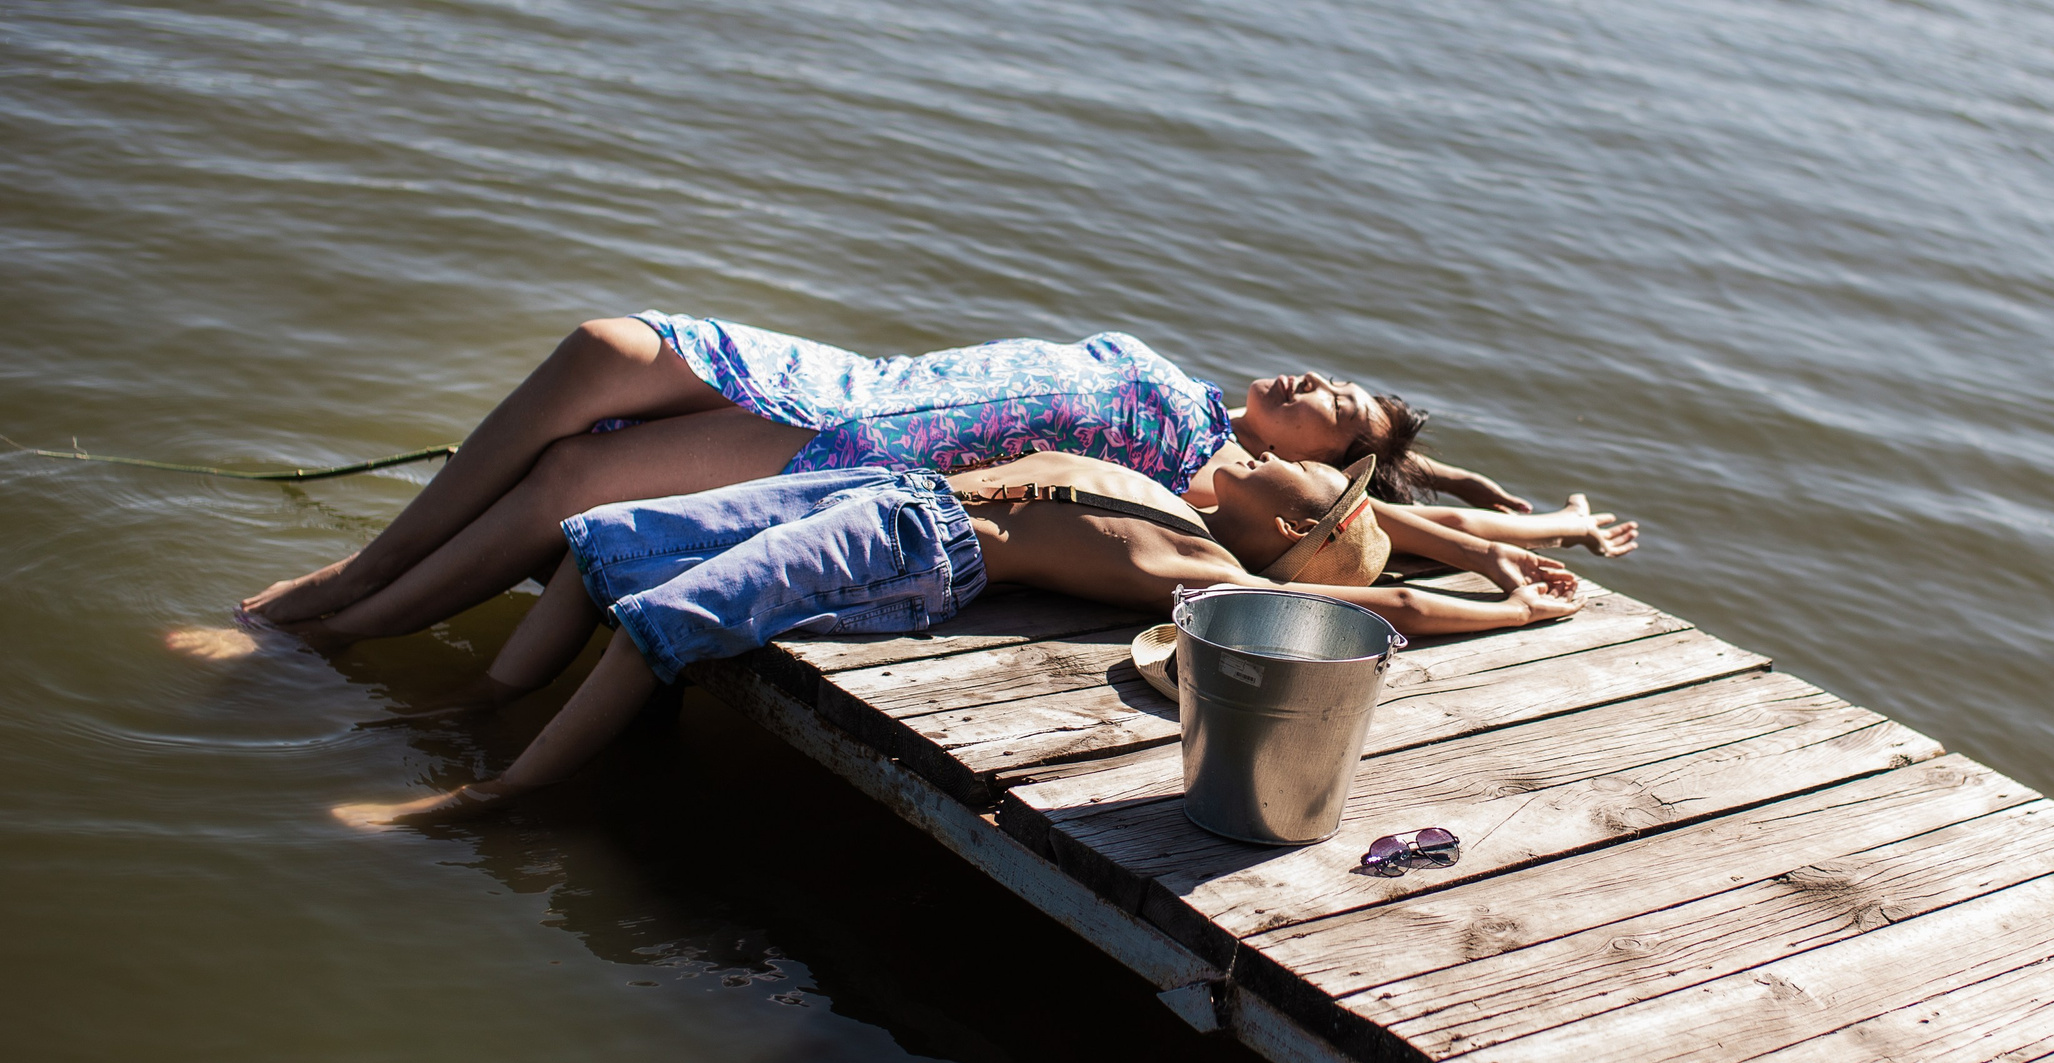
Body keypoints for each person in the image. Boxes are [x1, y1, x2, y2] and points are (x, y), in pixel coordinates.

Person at [209, 315, 1633, 656]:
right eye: (1331, 379)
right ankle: (363, 576)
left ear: (1326, 475)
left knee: (575, 481)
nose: (1317, 387)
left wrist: (1526, 543)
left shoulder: (1200, 479)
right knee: (601, 345)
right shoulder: (1196, 399)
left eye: (1340, 415)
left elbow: (1400, 528)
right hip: (853, 376)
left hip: (861, 450)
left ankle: (318, 619)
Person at [330, 448, 1581, 827]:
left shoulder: (1208, 568)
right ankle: (479, 701)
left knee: (674, 622)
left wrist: (1512, 607)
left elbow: (1381, 604)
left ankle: (492, 794)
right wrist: (1497, 536)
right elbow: (1386, 530)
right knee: (604, 538)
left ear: (1292, 532)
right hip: (882, 493)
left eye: (1302, 480)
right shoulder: (1190, 490)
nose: (1266, 454)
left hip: (909, 543)